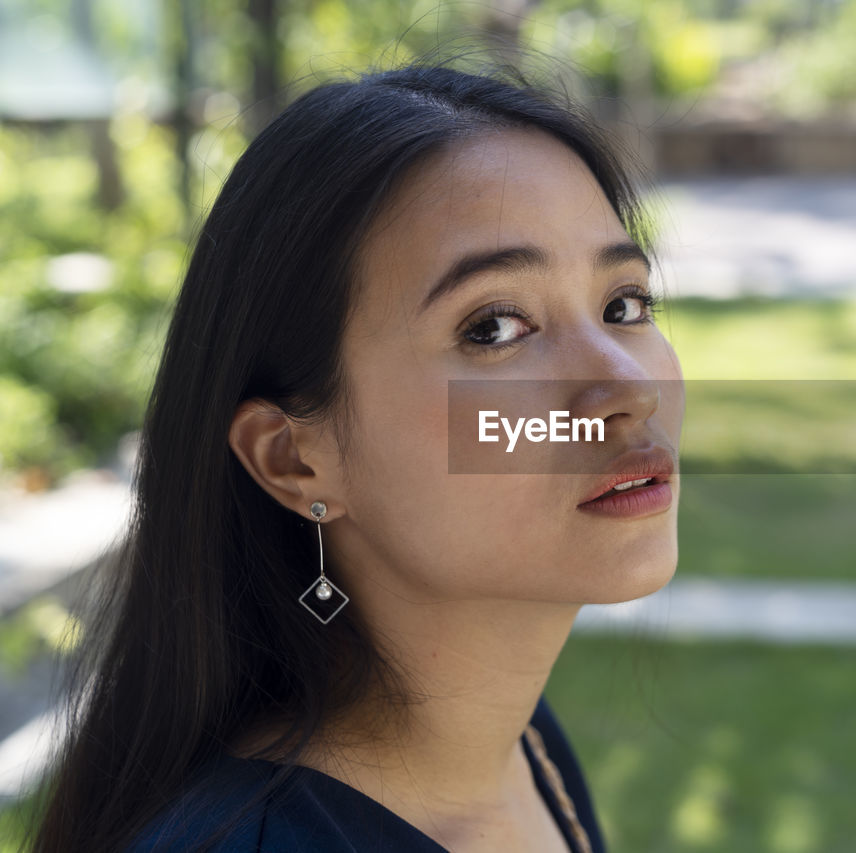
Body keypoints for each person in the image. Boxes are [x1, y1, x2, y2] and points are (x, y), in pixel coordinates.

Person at [30, 57, 684, 853]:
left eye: (624, 304)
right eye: (494, 328)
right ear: (293, 460)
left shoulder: (517, 744)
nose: (627, 388)